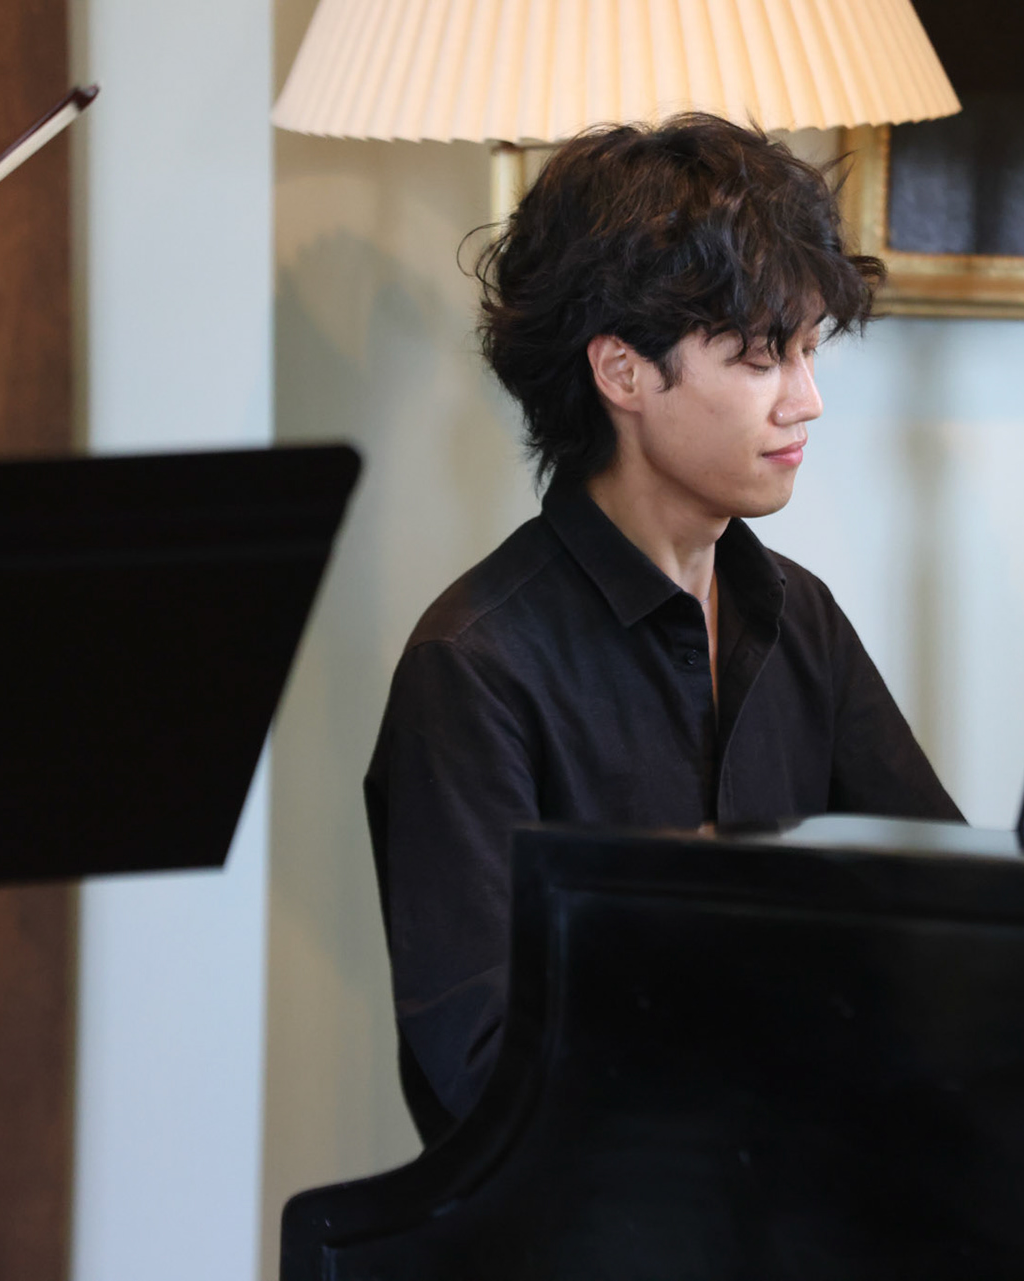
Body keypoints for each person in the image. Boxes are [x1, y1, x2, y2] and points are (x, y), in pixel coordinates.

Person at [364, 114, 962, 1142]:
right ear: (622, 372)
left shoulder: (798, 613)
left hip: (796, 1172)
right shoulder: (474, 666)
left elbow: (943, 906)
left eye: (810, 351)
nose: (808, 401)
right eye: (763, 358)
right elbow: (485, 1070)